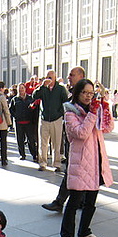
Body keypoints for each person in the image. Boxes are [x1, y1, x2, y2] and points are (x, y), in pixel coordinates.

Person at [60, 78, 113, 237]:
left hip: (96, 160)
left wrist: (104, 107)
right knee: (75, 201)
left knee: (91, 201)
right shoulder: (70, 112)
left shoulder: (94, 109)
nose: (89, 96)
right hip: (81, 162)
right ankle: (67, 234)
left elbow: (108, 127)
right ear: (77, 93)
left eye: (91, 93)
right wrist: (92, 113)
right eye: (85, 92)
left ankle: (84, 230)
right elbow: (81, 133)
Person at [41, 66, 86, 212]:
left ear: (80, 76)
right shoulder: (73, 92)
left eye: (72, 75)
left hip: (82, 140)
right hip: (73, 137)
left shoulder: (85, 93)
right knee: (74, 171)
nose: (69, 77)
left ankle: (62, 201)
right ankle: (77, 201)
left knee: (75, 171)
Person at [33, 70, 69, 172]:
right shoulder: (43, 88)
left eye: (51, 77)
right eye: (47, 77)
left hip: (56, 119)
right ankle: (42, 163)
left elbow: (65, 102)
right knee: (42, 143)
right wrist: (42, 86)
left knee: (56, 142)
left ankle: (56, 164)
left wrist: (59, 113)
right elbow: (34, 96)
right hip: (44, 119)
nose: (49, 79)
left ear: (55, 78)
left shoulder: (60, 89)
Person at [9, 82, 38, 162]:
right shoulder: (15, 99)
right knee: (20, 140)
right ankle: (22, 155)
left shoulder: (30, 98)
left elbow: (34, 108)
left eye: (22, 88)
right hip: (19, 123)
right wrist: (16, 116)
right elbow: (11, 110)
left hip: (29, 122)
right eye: (19, 88)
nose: (21, 90)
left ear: (25, 89)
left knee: (31, 140)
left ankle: (34, 155)